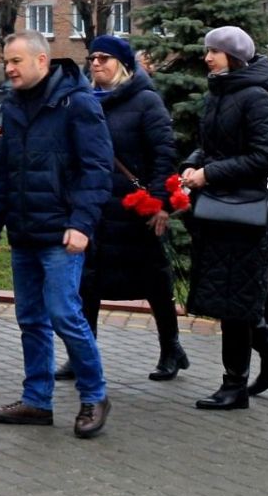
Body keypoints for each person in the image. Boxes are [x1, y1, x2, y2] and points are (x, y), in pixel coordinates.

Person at [0, 31, 113, 439]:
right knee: (31, 320)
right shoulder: (14, 105)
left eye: (16, 61)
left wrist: (82, 224)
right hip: (24, 232)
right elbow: (5, 172)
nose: (9, 69)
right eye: (7, 61)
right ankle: (37, 401)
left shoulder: (77, 102)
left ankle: (94, 395)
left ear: (42, 61)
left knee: (64, 315)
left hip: (61, 234)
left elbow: (97, 168)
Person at [180, 25, 268, 411]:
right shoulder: (220, 91)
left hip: (245, 212)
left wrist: (209, 174)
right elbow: (210, 145)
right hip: (219, 208)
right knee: (227, 294)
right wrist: (191, 165)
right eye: (207, 50)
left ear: (236, 56)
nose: (207, 58)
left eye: (215, 51)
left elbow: (267, 156)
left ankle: (235, 385)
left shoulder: (255, 95)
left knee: (236, 297)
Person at [67, 35, 187, 382]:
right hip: (94, 208)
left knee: (154, 281)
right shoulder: (83, 100)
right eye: (92, 58)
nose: (96, 63)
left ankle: (171, 348)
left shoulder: (146, 101)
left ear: (122, 64)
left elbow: (164, 155)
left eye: (104, 58)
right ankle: (82, 355)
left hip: (136, 210)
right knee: (87, 283)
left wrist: (161, 204)